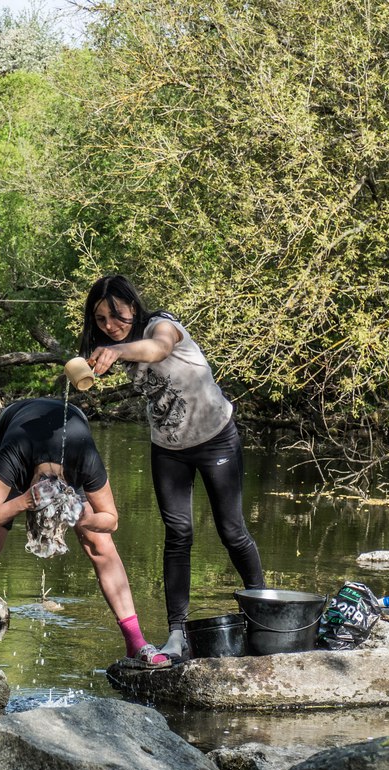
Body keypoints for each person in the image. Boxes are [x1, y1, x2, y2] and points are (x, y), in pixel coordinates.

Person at [81, 274, 266, 660]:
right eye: (101, 320)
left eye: (117, 314)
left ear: (133, 304)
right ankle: (177, 633)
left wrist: (119, 351)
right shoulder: (111, 344)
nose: (111, 325)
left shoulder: (162, 325)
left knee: (232, 532)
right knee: (178, 535)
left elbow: (158, 349)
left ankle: (265, 613)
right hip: (168, 449)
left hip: (216, 437)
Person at [0, 397, 169, 667]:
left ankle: (136, 643)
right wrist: (22, 502)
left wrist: (84, 517)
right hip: (15, 423)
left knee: (98, 542)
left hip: (72, 425)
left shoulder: (84, 457)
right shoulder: (14, 455)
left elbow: (112, 521)